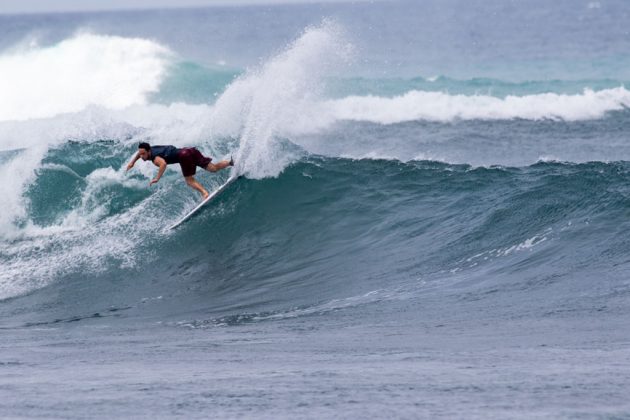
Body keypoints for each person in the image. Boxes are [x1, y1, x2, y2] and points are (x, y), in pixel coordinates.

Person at [126, 142, 233, 199]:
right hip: (190, 150)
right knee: (213, 168)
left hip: (184, 156)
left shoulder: (154, 158)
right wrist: (132, 162)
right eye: (140, 153)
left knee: (189, 181)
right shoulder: (150, 148)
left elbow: (163, 164)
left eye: (143, 154)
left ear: (148, 151)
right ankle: (230, 162)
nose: (141, 156)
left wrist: (157, 178)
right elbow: (139, 153)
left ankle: (204, 193)